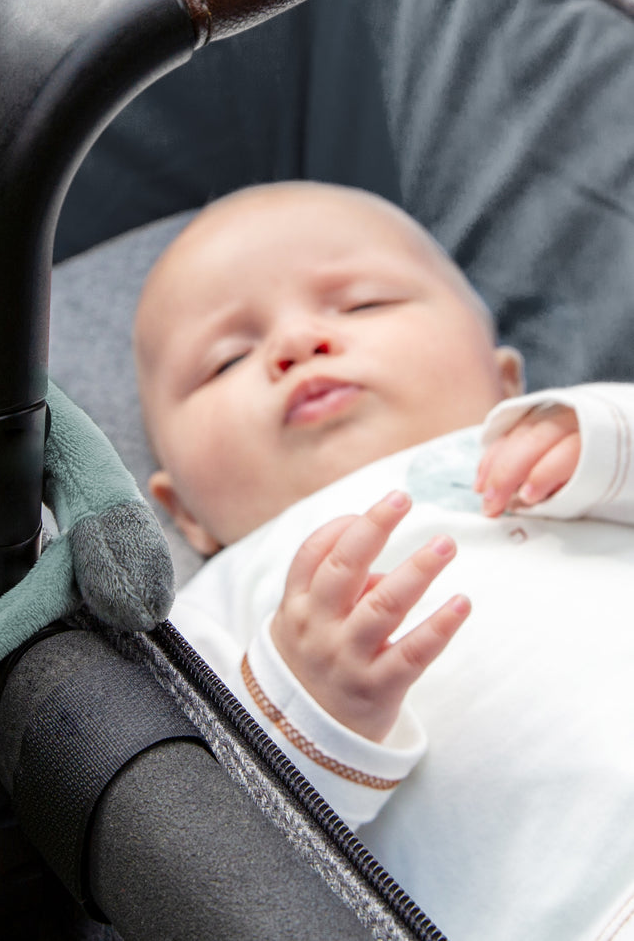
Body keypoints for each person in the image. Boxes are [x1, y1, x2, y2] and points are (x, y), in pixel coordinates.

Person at [131, 181, 634, 941]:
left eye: (362, 304)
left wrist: (604, 442)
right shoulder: (227, 610)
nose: (297, 343)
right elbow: (219, 858)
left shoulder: (568, 451)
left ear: (503, 379)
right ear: (186, 514)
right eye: (225, 360)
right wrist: (308, 706)